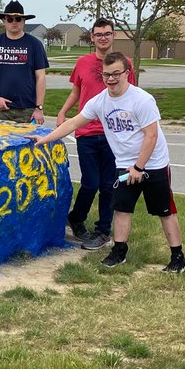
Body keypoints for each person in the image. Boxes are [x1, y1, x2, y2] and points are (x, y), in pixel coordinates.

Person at [33, 52, 185, 272]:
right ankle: (119, 251)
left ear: (127, 73)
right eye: (107, 75)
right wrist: (45, 139)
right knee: (122, 209)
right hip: (124, 165)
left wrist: (139, 167)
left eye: (116, 73)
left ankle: (178, 257)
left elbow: (151, 136)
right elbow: (74, 123)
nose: (111, 79)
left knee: (164, 211)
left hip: (152, 164)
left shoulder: (142, 99)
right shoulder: (100, 101)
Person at [56, 18, 134, 250]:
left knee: (110, 184)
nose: (103, 38)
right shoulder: (83, 62)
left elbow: (132, 95)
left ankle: (103, 231)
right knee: (90, 182)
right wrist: (62, 112)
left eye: (107, 34)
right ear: (92, 37)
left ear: (114, 36)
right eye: (98, 34)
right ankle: (76, 217)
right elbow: (77, 92)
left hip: (114, 134)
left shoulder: (124, 63)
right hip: (87, 132)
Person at [0, 0, 49, 123]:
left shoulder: (35, 44)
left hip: (27, 110)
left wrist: (39, 107)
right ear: (4, 21)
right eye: (10, 19)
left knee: (28, 142)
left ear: (24, 21)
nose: (14, 22)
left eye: (18, 19)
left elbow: (41, 77)